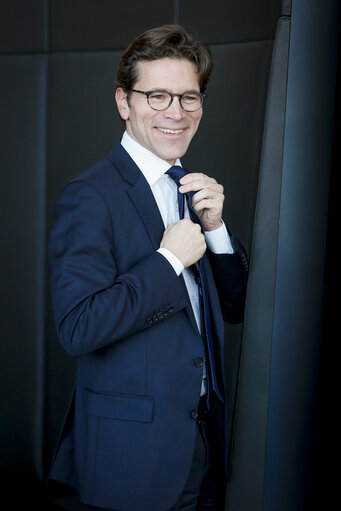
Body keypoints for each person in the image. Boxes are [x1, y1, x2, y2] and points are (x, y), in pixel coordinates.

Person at [47, 24, 248, 511]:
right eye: (157, 96)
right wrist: (169, 261)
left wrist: (216, 230)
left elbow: (238, 306)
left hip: (203, 447)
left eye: (189, 98)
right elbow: (78, 326)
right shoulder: (90, 195)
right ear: (124, 102)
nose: (175, 113)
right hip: (131, 460)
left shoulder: (192, 191)